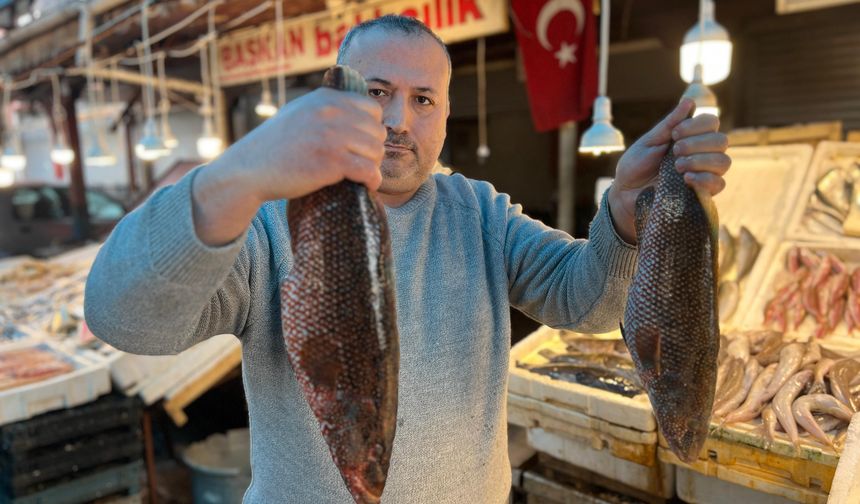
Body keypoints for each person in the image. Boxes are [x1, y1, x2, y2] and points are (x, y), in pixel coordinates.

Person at [85, 15, 730, 503]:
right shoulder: (273, 223)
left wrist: (624, 209)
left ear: (445, 115)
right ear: (334, 101)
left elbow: (586, 302)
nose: (397, 118)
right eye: (375, 91)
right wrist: (238, 174)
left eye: (423, 99)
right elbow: (125, 319)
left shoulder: (479, 212)